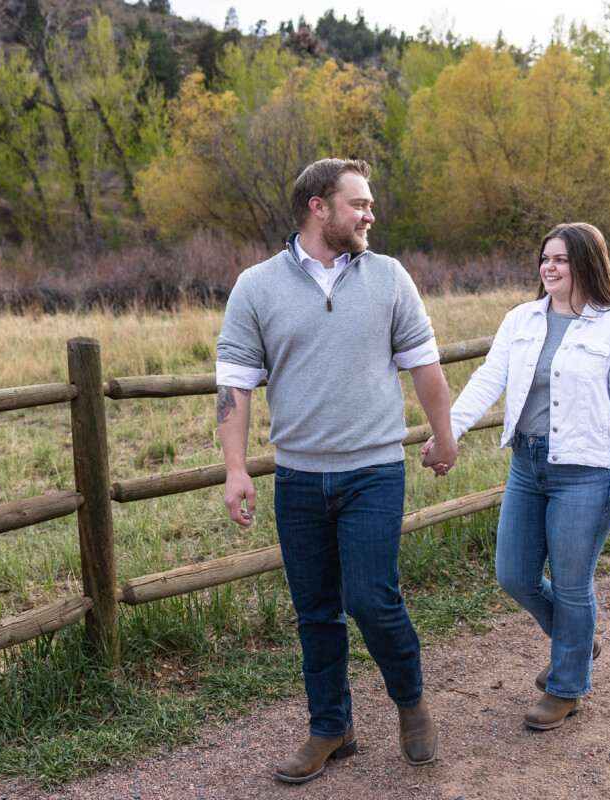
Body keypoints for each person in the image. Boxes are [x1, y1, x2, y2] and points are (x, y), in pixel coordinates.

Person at [215, 158, 458, 783]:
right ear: (319, 207)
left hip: (373, 469)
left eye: (369, 203)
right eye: (359, 204)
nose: (370, 214)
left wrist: (444, 434)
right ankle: (332, 727)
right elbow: (235, 385)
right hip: (297, 478)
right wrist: (236, 468)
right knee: (315, 611)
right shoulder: (256, 286)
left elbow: (424, 366)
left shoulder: (390, 277)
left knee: (371, 598)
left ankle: (411, 706)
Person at [426, 222, 610, 730]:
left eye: (561, 260)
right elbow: (489, 379)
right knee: (514, 574)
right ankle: (577, 639)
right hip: (528, 465)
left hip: (588, 472)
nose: (549, 268)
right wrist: (449, 433)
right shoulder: (522, 319)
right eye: (545, 259)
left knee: (573, 586)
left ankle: (566, 685)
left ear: (587, 265)